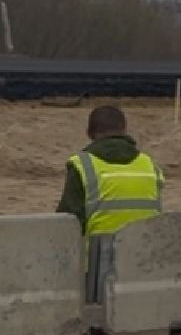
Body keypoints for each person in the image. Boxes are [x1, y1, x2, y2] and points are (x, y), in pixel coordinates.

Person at [58, 104, 164, 301]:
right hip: (144, 264)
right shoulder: (149, 164)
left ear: (90, 133)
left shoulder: (83, 165)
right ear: (124, 129)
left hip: (96, 270)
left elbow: (67, 223)